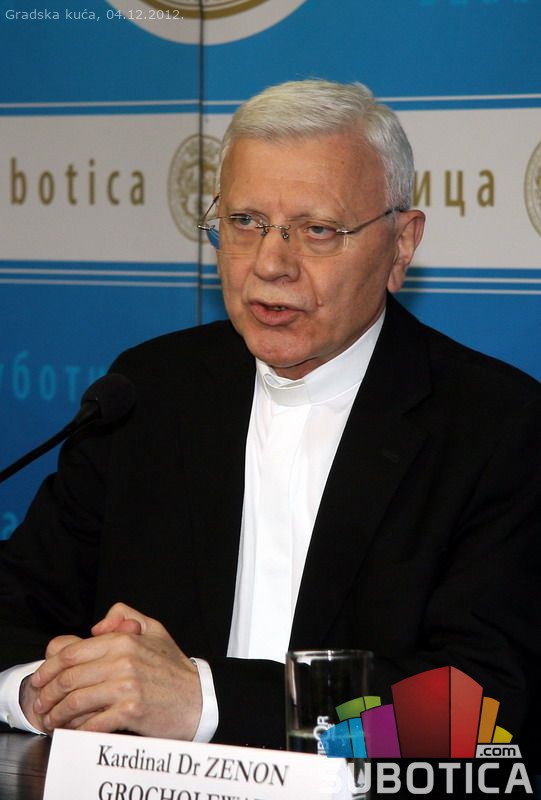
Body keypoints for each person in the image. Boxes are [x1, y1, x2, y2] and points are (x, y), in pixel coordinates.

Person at [0, 80, 539, 762]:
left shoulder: (498, 427)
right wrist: (39, 690)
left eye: (318, 230)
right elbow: (16, 604)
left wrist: (207, 702)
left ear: (400, 246)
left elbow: (481, 710)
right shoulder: (149, 391)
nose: (270, 264)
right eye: (245, 222)